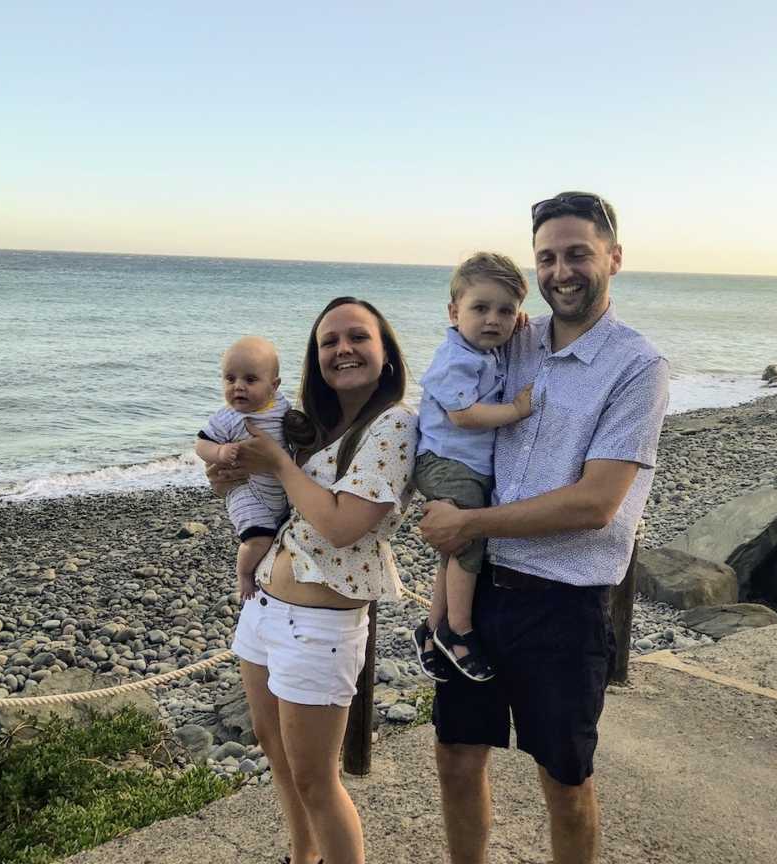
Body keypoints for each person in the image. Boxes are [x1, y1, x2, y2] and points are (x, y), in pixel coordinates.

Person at [420, 193, 670, 864]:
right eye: (548, 258)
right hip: (485, 585)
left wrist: (466, 520)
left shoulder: (638, 368)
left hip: (564, 605)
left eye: (578, 254)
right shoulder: (514, 338)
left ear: (613, 258)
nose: (563, 270)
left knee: (565, 780)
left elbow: (596, 503)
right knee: (456, 756)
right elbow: (442, 398)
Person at [206, 297, 417, 864]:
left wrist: (277, 464)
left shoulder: (393, 425)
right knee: (275, 752)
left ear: (386, 353)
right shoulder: (311, 426)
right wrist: (226, 472)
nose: (343, 349)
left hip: (321, 622)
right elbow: (252, 493)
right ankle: (303, 857)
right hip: (265, 608)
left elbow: (342, 526)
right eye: (329, 342)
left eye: (358, 337)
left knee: (317, 780)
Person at [411, 252, 532, 684]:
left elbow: (508, 324)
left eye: (505, 311)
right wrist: (516, 410)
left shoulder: (487, 347)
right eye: (480, 309)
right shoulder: (454, 358)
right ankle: (458, 629)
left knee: (454, 549)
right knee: (467, 538)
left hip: (467, 463)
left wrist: (519, 322)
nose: (493, 320)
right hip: (445, 461)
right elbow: (464, 415)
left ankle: (432, 629)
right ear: (454, 312)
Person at [195, 336, 291, 600]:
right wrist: (220, 452)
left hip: (278, 490)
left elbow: (294, 427)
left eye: (250, 380)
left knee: (280, 532)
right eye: (230, 379)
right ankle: (244, 573)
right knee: (259, 539)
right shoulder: (228, 417)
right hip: (246, 491)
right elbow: (201, 444)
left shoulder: (282, 406)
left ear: (274, 386)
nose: (238, 387)